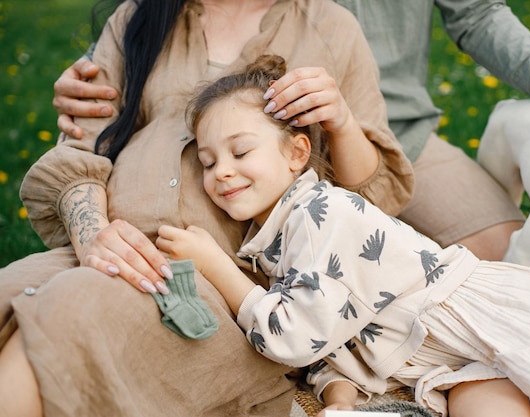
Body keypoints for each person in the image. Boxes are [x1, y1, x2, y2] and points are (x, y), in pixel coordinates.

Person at [0, 1, 414, 416]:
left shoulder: (329, 26)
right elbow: (81, 144)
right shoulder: (139, 17)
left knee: (69, 313)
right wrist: (93, 235)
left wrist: (341, 120)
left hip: (217, 281)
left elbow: (374, 205)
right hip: (105, 244)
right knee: (11, 293)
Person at [156, 54, 530, 417]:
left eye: (240, 151)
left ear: (298, 153)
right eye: (208, 162)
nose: (222, 172)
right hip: (451, 367)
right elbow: (329, 345)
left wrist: (214, 264)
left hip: (496, 321)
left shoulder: (322, 212)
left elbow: (295, 336)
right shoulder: (275, 242)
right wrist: (340, 399)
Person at [53, 0, 530, 265]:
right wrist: (98, 68)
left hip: (395, 135)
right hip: (273, 145)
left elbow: (477, 15)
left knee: (513, 262)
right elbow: (180, 30)